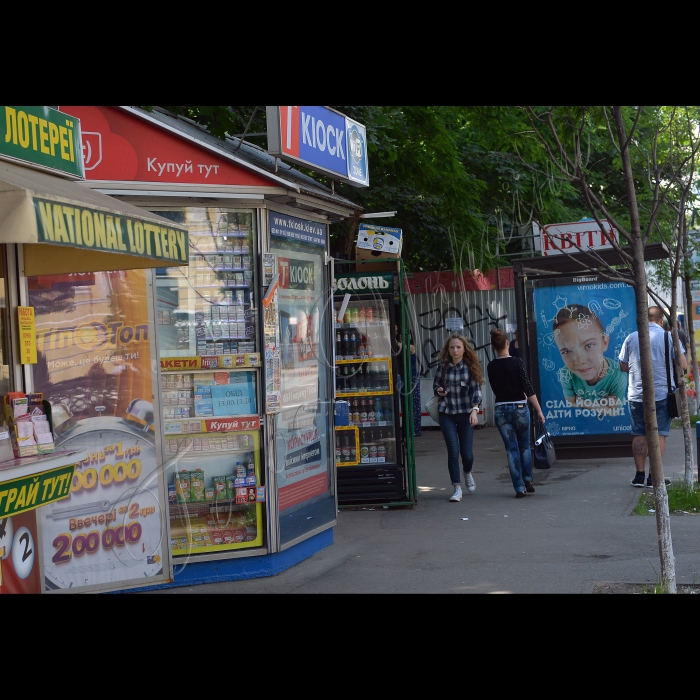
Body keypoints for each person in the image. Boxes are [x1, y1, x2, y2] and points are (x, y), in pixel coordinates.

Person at [619, 306, 687, 488]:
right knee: (660, 434)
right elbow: (683, 364)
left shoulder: (631, 337)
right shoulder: (669, 337)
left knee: (639, 432)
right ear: (660, 321)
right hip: (663, 393)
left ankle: (639, 476)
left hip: (636, 394)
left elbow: (623, 367)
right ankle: (653, 477)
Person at [487, 328, 546, 498]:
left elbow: (496, 388)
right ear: (507, 343)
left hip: (501, 409)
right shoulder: (517, 362)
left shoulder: (491, 366)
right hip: (520, 407)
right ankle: (527, 478)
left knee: (511, 449)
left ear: (493, 347)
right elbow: (528, 388)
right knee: (525, 446)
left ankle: (518, 487)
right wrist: (539, 411)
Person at [433, 333, 484, 502]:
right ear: (448, 349)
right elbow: (436, 385)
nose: (455, 350)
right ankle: (457, 488)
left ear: (464, 349)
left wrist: (475, 410)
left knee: (467, 454)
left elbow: (476, 391)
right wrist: (439, 390)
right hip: (446, 412)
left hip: (465, 414)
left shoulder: (469, 367)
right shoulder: (443, 366)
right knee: (453, 452)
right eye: (452, 347)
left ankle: (467, 472)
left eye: (458, 347)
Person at [553, 303, 627, 411]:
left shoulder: (617, 376)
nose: (580, 360)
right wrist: (600, 404)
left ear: (605, 342)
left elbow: (615, 412)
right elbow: (570, 401)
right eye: (567, 351)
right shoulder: (566, 374)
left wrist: (580, 402)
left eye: (589, 345)